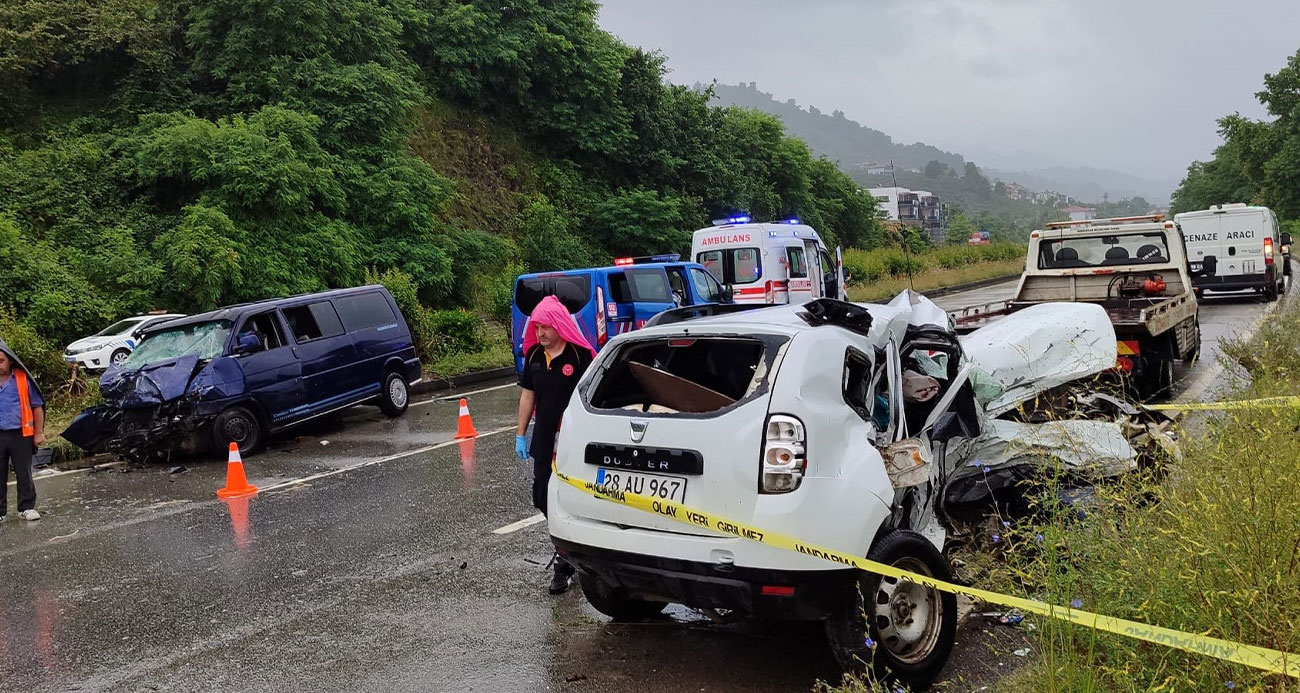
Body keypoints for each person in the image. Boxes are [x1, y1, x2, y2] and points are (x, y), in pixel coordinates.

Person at [515, 295, 596, 595]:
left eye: (546, 327)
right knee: (542, 497)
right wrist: (520, 434)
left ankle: (565, 563)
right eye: (537, 328)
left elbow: (592, 396)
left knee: (568, 498)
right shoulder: (535, 357)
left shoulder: (579, 356)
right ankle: (569, 548)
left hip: (571, 442)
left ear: (559, 325)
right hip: (544, 439)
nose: (540, 333)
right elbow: (528, 396)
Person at [0, 337, 45, 522]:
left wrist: (38, 433)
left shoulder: (22, 379)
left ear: (10, 360)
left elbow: (37, 406)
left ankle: (26, 507)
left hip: (21, 434)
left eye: (1, 360)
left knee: (23, 472)